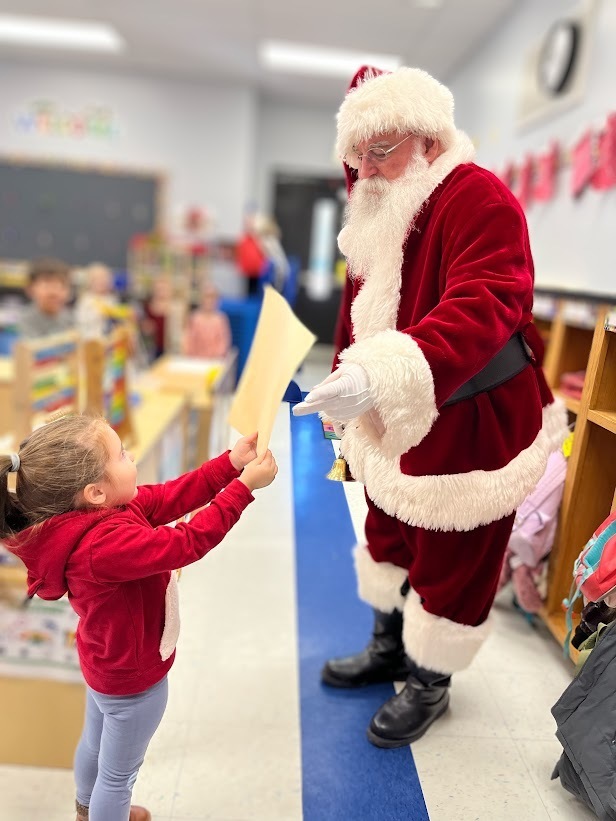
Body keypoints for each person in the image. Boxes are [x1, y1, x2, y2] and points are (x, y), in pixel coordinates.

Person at [293, 65, 567, 748]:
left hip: (472, 419)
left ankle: (429, 677)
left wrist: (385, 373)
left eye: (381, 151)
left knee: (454, 552)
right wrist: (344, 386)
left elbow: (487, 303)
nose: (367, 171)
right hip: (391, 417)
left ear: (431, 140)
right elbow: (359, 317)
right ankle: (388, 643)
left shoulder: (479, 198)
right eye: (357, 157)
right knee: (387, 531)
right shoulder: (378, 207)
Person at [0, 415, 277, 820]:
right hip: (133, 680)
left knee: (94, 745)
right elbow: (188, 541)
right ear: (95, 492)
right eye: (122, 454)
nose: (132, 458)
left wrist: (229, 464)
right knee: (118, 777)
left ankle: (86, 811)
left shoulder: (90, 516)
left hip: (103, 664)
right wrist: (243, 488)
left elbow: (170, 497)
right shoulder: (104, 545)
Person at [17, 256, 75, 339]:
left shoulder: (73, 321)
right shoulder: (21, 324)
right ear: (30, 289)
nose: (55, 293)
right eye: (47, 285)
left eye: (62, 286)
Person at [181, 282, 232, 359]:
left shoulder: (221, 319)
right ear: (201, 299)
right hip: (196, 360)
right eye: (206, 297)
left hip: (214, 361)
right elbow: (188, 340)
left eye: (212, 297)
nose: (209, 301)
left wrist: (216, 356)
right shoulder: (194, 318)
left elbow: (224, 342)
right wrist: (191, 356)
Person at [74, 262, 118, 340]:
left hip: (110, 339)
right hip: (90, 339)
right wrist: (100, 314)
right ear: (90, 282)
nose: (101, 282)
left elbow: (117, 319)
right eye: (97, 279)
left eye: (104, 279)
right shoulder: (85, 299)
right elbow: (80, 320)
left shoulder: (112, 299)